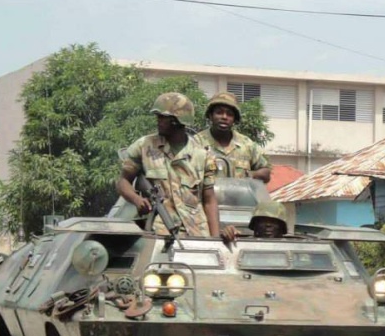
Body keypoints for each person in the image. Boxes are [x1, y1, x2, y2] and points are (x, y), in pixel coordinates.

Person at [116, 92, 221, 237]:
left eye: (162, 118)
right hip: (158, 232)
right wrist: (136, 199)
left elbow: (209, 200)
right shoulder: (144, 146)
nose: (158, 121)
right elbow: (123, 181)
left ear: (177, 121)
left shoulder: (202, 154)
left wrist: (215, 241)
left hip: (196, 234)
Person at [194, 92, 272, 183]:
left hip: (239, 196)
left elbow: (266, 173)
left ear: (235, 119)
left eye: (229, 114)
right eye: (219, 112)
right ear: (211, 116)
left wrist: (249, 175)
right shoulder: (196, 143)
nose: (224, 117)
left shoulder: (246, 144)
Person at [221, 200, 289, 244]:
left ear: (281, 226)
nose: (268, 224)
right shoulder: (245, 243)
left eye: (273, 221)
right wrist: (228, 234)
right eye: (263, 220)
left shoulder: (290, 246)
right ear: (255, 224)